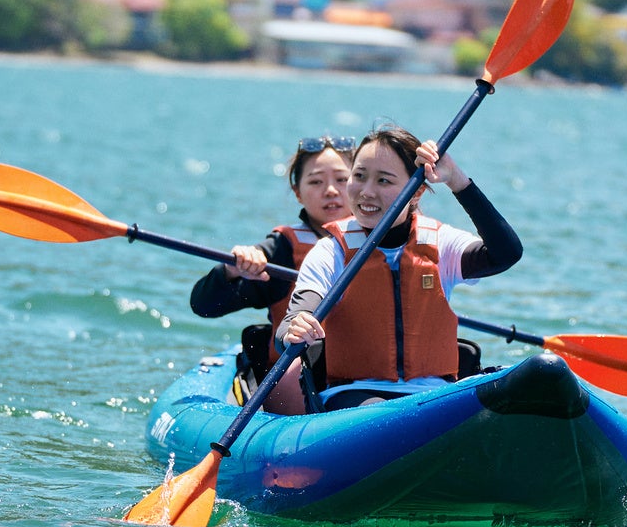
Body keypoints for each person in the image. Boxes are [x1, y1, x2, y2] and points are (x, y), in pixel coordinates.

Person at [278, 122, 522, 410]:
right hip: (356, 398)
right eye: (359, 176)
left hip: (435, 395)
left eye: (384, 181)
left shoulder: (441, 243)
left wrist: (457, 180)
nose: (366, 192)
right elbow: (291, 322)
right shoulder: (330, 251)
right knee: (380, 413)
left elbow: (506, 253)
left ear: (416, 192)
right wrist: (296, 327)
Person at [189, 134, 355, 411]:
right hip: (300, 378)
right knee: (294, 373)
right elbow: (203, 305)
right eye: (315, 181)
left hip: (366, 372)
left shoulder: (386, 241)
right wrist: (233, 270)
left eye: (342, 179)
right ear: (297, 192)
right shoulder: (280, 250)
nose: (330, 190)